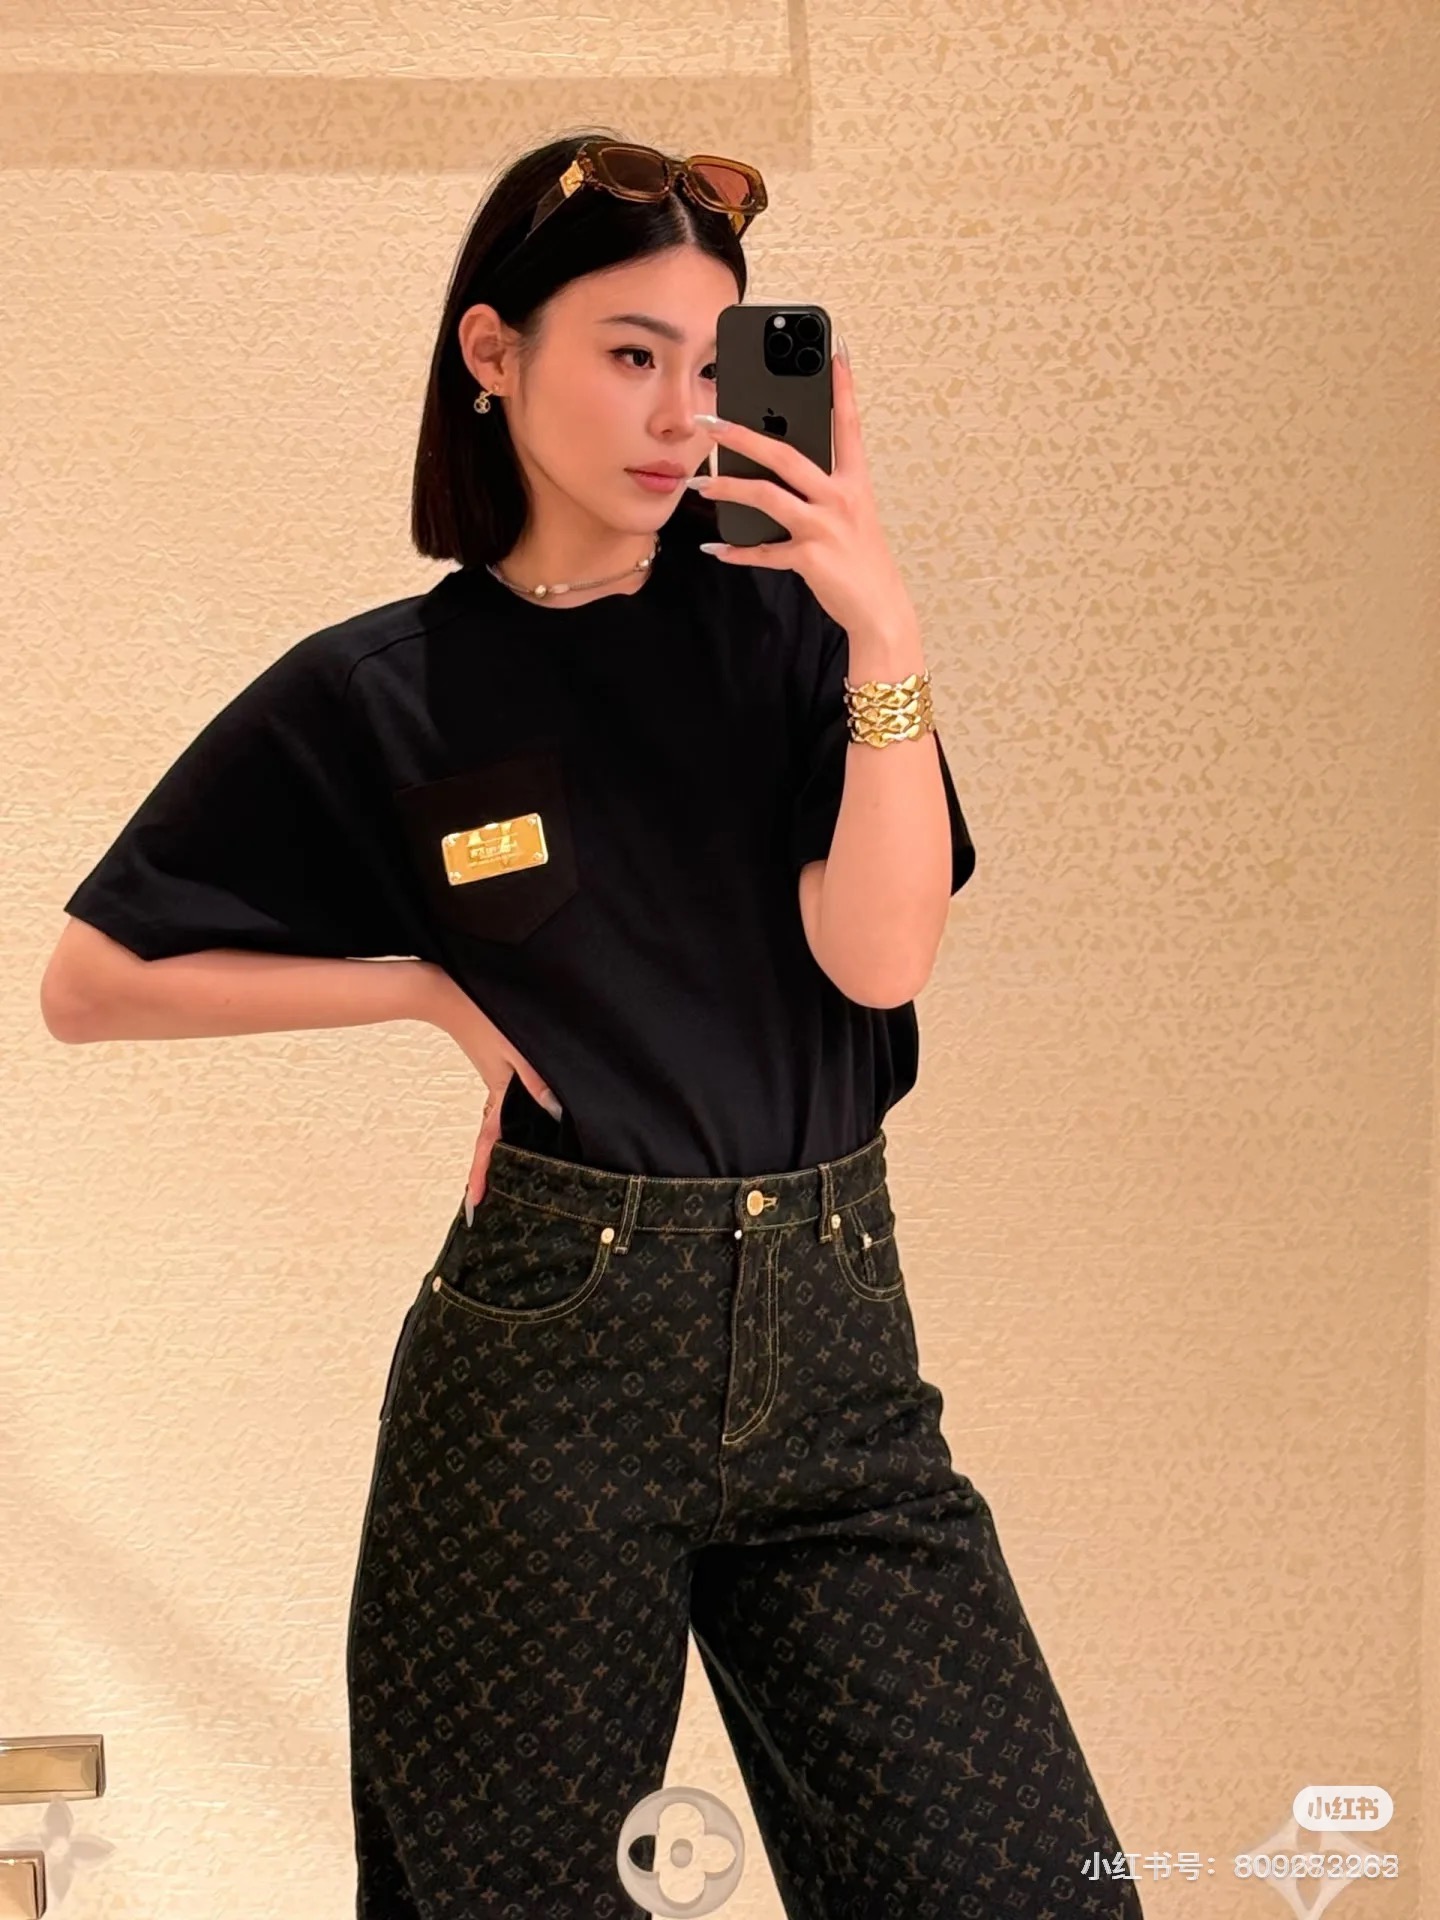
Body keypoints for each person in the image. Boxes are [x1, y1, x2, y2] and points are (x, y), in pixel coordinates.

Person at [41, 128, 1144, 1920]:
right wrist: (425, 989)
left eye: (711, 364)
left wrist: (883, 628)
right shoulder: (386, 691)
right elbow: (91, 983)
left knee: (1026, 1888)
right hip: (546, 1373)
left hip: (839, 1357)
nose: (678, 412)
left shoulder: (795, 634)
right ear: (494, 353)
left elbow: (878, 962)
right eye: (632, 352)